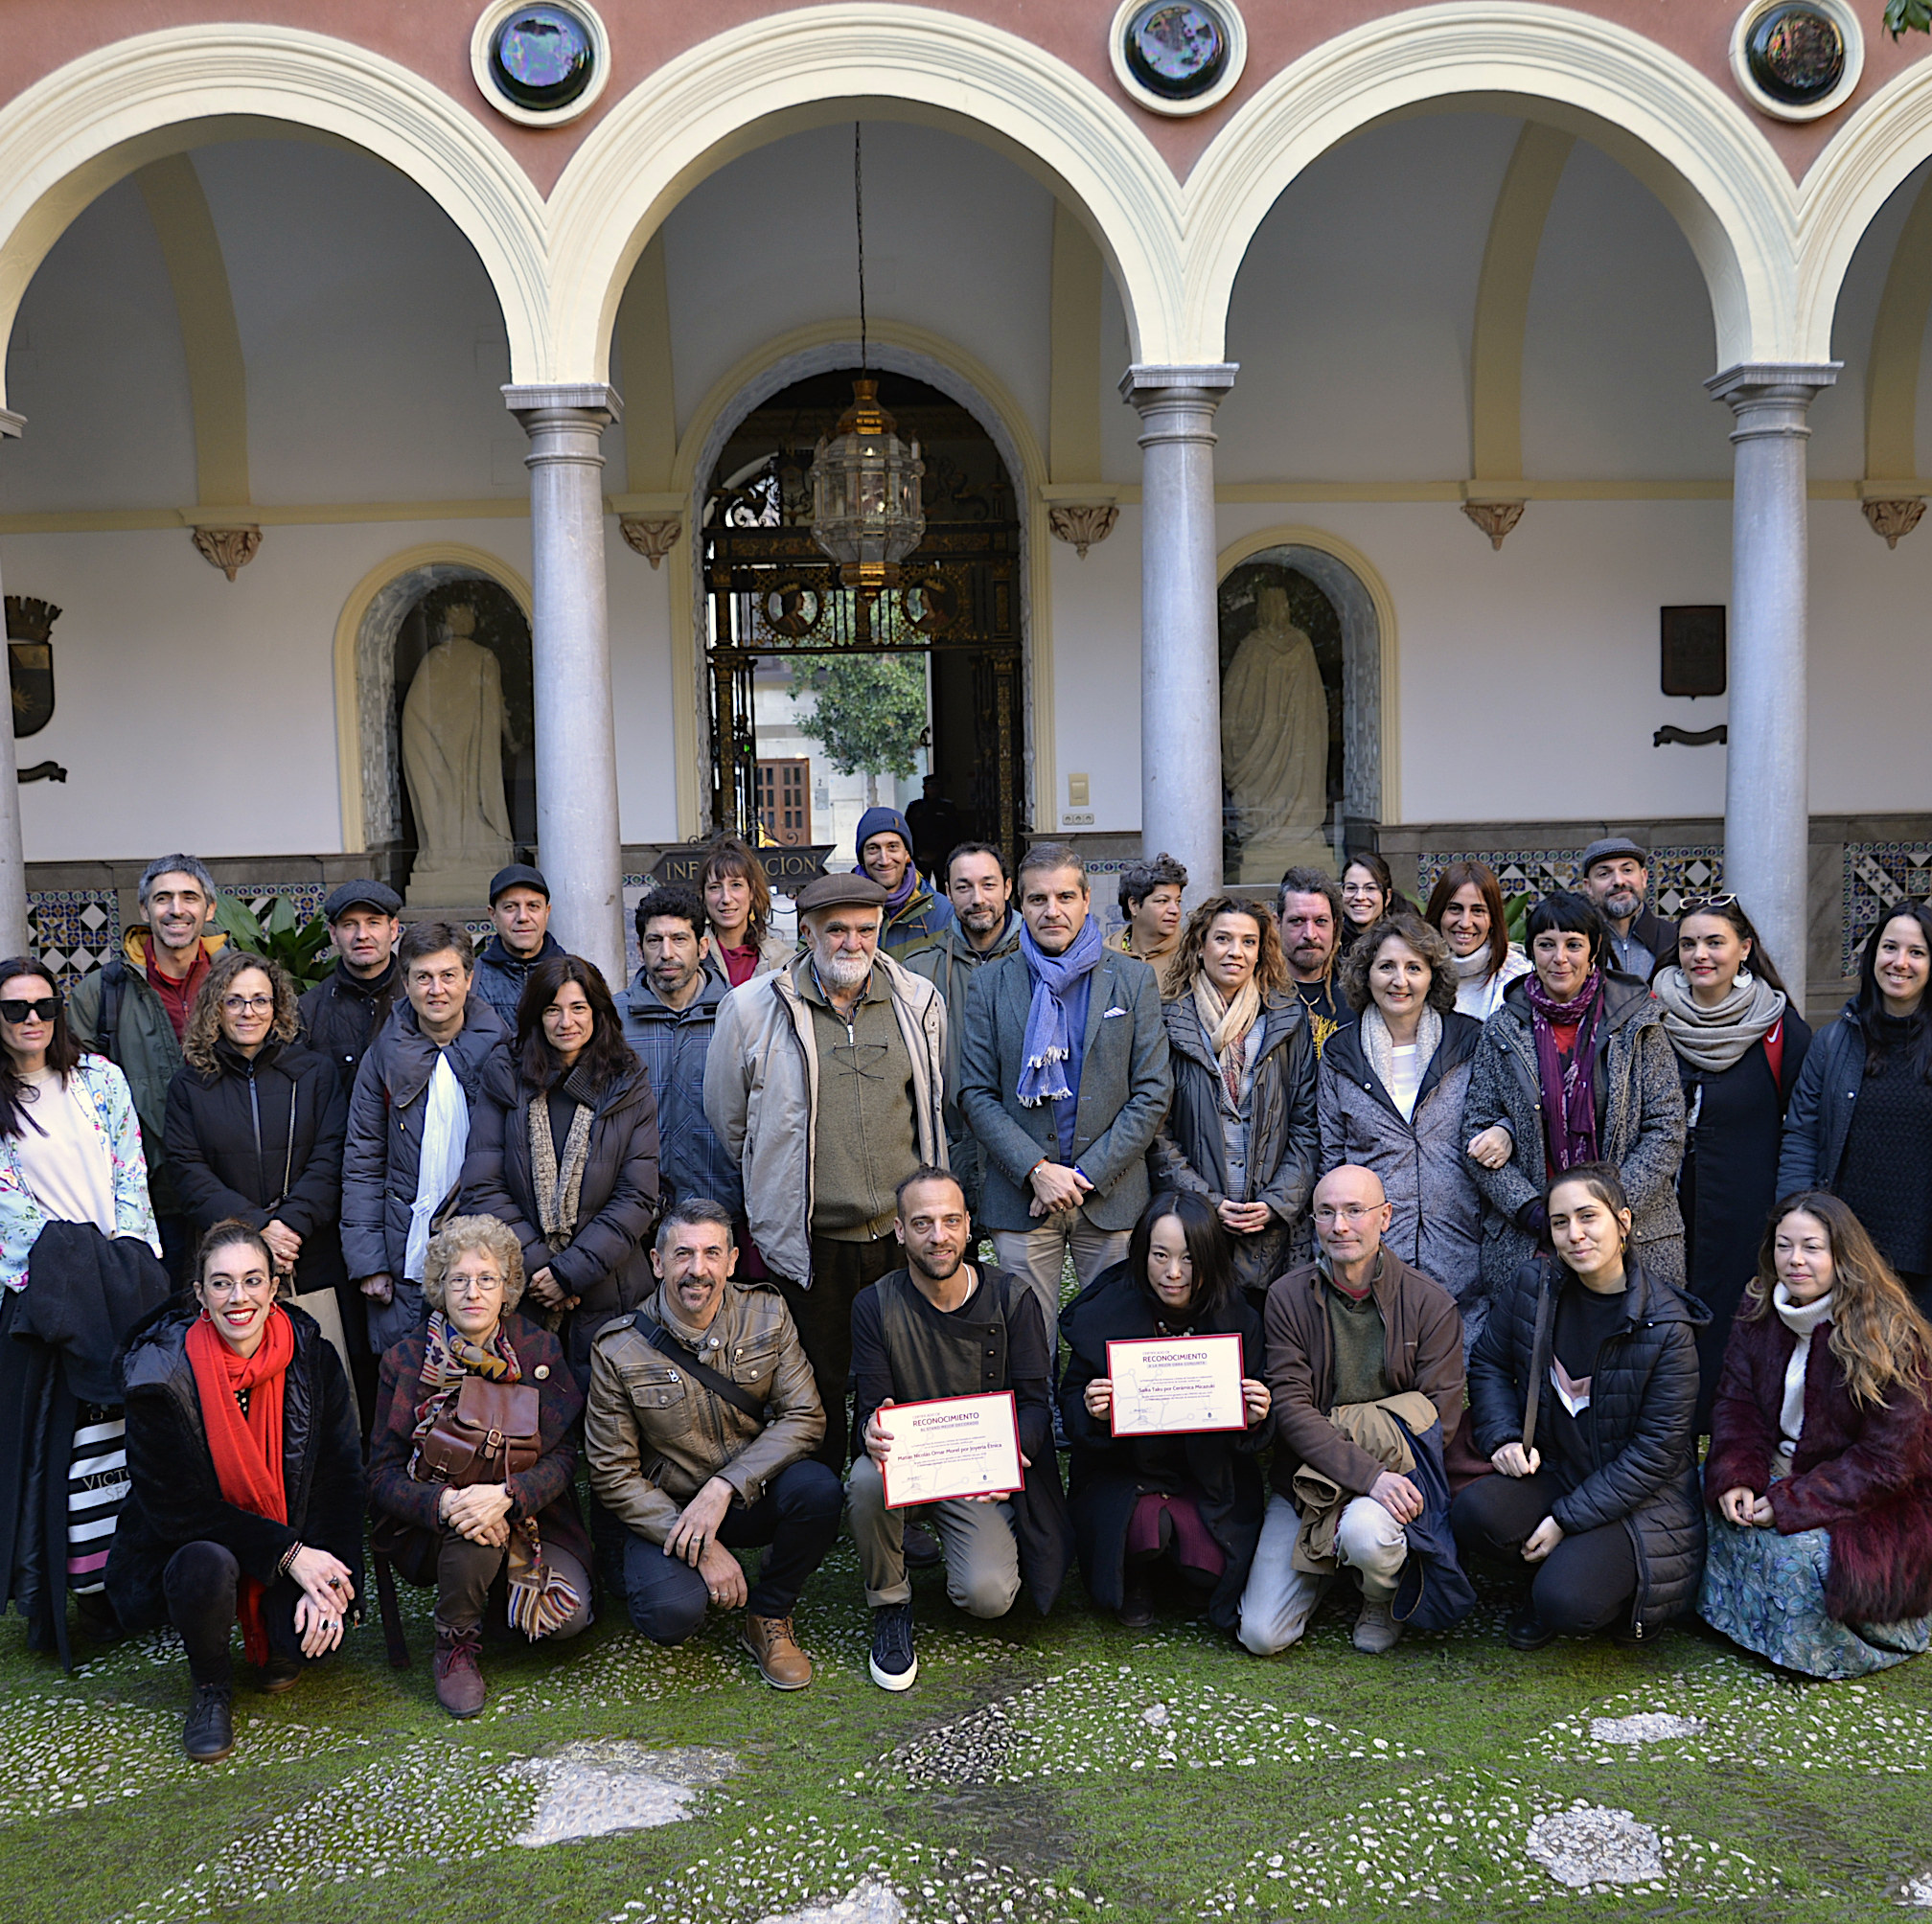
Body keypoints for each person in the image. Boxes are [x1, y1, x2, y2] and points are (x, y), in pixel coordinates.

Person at [704, 870, 947, 1467]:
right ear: (807, 932)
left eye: (866, 929)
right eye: (835, 930)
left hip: (900, 1234)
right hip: (813, 1236)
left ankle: (899, 1495)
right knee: (820, 1375)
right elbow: (730, 1119)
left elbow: (934, 1106)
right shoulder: (751, 1009)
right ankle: (822, 1492)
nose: (852, 943)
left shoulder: (918, 1000)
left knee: (898, 1368)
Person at [109, 1222, 361, 1762]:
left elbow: (339, 1475)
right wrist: (289, 1555)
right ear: (199, 1294)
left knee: (300, 1650)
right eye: (221, 1284)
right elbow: (175, 1509)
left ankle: (277, 1623)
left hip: (286, 1539)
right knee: (205, 1562)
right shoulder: (159, 1375)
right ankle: (209, 1687)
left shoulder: (311, 1356)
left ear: (274, 1287)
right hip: (193, 1545)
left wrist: (334, 1581)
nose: (238, 1298)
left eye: (252, 1280)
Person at [586, 1201, 840, 1688]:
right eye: (682, 1254)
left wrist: (725, 1486)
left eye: (710, 1254)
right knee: (670, 1615)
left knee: (820, 1490)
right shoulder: (617, 1348)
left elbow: (806, 1416)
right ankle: (689, 1575)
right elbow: (611, 1474)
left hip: (749, 1494)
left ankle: (769, 1614)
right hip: (672, 1509)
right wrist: (700, 1548)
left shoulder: (766, 1312)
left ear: (731, 1260)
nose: (696, 1270)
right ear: (657, 1262)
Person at [1452, 1164, 1704, 1648]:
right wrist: (1504, 1436)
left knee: (1568, 1602)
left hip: (1637, 1502)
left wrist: (1565, 1520)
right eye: (1560, 1222)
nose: (1575, 1234)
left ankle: (1602, 1593)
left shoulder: (1667, 1328)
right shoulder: (1536, 1285)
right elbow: (1487, 1362)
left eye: (1588, 1217)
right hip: (1558, 1471)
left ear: (1623, 1222)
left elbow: (1654, 1455)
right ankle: (1551, 1573)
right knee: (1475, 1512)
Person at [0, 961, 167, 1664]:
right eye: (14, 1010)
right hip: (51, 1298)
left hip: (122, 1281)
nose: (31, 1019)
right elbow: (9, 1206)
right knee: (68, 1461)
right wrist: (73, 1265)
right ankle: (85, 1598)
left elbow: (131, 1168)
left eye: (43, 1005)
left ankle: (139, 1584)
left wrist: (130, 1252)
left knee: (131, 1445)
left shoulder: (100, 1078)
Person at [849, 1168, 1071, 1690]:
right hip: (907, 1469)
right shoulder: (874, 1306)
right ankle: (891, 1602)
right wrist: (869, 1431)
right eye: (921, 1223)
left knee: (988, 1597)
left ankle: (973, 1543)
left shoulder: (1013, 1298)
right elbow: (867, 1407)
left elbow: (1038, 1405)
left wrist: (1014, 1451)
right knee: (862, 1479)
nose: (938, 1236)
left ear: (970, 1227)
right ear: (900, 1232)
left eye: (951, 1220)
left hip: (978, 1477)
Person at [1237, 1164, 1469, 1658]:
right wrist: (1365, 1471)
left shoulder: (1431, 1304)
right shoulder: (1287, 1297)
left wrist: (1371, 1474)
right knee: (1262, 1634)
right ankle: (1324, 1565)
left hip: (1395, 1477)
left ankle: (1378, 1595)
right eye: (1326, 1212)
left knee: (1366, 1533)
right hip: (1306, 1475)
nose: (1340, 1226)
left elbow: (1437, 1422)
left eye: (1354, 1211)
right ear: (1313, 1221)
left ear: (1385, 1217)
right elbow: (1293, 1413)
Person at [367, 1215, 590, 1717]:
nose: (473, 1292)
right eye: (458, 1279)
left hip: (528, 1519)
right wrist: (445, 1504)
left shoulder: (538, 1350)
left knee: (569, 1621)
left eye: (487, 1279)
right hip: (436, 1529)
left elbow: (563, 1457)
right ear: (439, 1287)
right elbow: (380, 1474)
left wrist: (508, 1497)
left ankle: (489, 1601)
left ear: (507, 1287)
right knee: (472, 1527)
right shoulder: (404, 1362)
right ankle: (454, 1647)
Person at [1701, 1194, 1932, 1678]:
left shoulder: (1890, 1332)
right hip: (1775, 1474)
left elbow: (1887, 1463)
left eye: (1812, 1247)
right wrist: (1737, 1476)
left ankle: (1833, 1648)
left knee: (1794, 1561)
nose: (1795, 1260)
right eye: (1784, 1245)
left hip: (1866, 1499)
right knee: (1686, 1503)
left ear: (1843, 1255)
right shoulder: (1759, 1306)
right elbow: (1735, 1403)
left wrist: (1791, 1502)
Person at [958, 842, 1172, 1354]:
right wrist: (1037, 1169)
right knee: (1028, 1341)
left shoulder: (1133, 979)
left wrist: (1087, 1173)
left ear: (1085, 898)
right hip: (1021, 1196)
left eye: (1064, 897)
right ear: (1020, 904)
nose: (1051, 911)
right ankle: (1039, 1432)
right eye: (1037, 900)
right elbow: (976, 1092)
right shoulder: (990, 984)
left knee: (1117, 1338)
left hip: (1111, 1192)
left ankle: (1103, 1430)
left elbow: (1152, 1091)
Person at [1060, 1192, 1270, 1631]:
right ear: (1142, 1253)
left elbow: (1257, 1430)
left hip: (1210, 1475)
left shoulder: (1238, 1316)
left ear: (1210, 1257)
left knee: (1207, 1572)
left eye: (1189, 1258)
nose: (1173, 1273)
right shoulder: (1106, 1309)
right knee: (1144, 1530)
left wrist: (1255, 1418)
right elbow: (1072, 1400)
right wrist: (1092, 1410)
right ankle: (1137, 1575)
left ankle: (1183, 1564)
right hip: (1124, 1471)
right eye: (1160, 1255)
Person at [1462, 890, 1688, 1294]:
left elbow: (1666, 1128)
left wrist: (1608, 1208)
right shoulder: (1502, 1029)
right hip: (1533, 1240)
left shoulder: (1639, 1023)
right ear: (1531, 952)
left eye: (1573, 944)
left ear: (1594, 948)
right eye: (1546, 945)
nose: (1559, 958)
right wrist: (1536, 1213)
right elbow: (1475, 1133)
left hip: (1631, 1231)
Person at [461, 953, 660, 1374]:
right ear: (537, 1015)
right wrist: (543, 1271)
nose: (565, 1021)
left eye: (578, 1008)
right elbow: (483, 1185)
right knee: (533, 1423)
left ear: (597, 1012)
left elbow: (637, 1195)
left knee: (611, 1424)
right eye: (552, 1009)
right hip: (524, 1291)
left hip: (612, 1288)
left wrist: (569, 1273)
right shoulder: (505, 1073)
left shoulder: (627, 1079)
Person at [1652, 896, 1811, 1415]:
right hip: (1665, 1209)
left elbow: (1806, 1125)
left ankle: (1733, 1432)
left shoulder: (1779, 1027)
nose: (1701, 954)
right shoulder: (1650, 1018)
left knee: (1739, 1324)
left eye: (1715, 942)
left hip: (1748, 1211)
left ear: (1744, 949)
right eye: (1689, 943)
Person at [1319, 913, 1488, 1345]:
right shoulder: (1341, 1052)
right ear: (1366, 974)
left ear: (1433, 975)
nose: (1400, 981)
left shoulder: (1469, 1040)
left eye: (1414, 967)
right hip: (1373, 1242)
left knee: (1457, 1366)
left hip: (1460, 1237)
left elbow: (1499, 1117)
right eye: (1387, 967)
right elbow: (1331, 1153)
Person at [341, 922, 508, 1353]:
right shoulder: (382, 1057)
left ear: (469, 979)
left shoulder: (503, 1052)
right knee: (406, 1384)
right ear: (406, 981)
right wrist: (369, 1262)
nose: (437, 989)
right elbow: (362, 1161)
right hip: (403, 1256)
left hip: (482, 1256)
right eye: (423, 977)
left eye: (449, 975)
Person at [165, 950, 350, 1335]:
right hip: (225, 1259)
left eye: (260, 1000)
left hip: (304, 1253)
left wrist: (289, 1227)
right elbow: (187, 1171)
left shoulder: (314, 1073)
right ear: (216, 1009)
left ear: (277, 1006)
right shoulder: (190, 1084)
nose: (248, 1012)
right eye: (234, 1001)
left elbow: (331, 1158)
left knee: (314, 1373)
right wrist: (258, 1227)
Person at [1148, 894, 1318, 1300]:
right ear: (1200, 944)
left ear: (1261, 951)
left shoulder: (1288, 1020)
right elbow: (1155, 1131)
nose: (1235, 953)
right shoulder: (1166, 1020)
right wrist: (1205, 1203)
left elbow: (1307, 1123)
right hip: (1192, 1227)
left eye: (1248, 942)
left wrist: (1277, 1202)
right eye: (1223, 939)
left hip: (1272, 1228)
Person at [69, 853, 225, 1279]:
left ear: (209, 909)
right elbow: (78, 1102)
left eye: (189, 897)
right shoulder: (101, 993)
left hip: (234, 1190)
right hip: (151, 1199)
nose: (177, 909)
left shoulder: (241, 981)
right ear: (144, 909)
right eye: (163, 898)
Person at [1778, 903, 1932, 1308]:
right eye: (1889, 948)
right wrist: (1795, 1222)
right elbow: (1802, 1136)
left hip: (1924, 1257)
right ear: (1872, 956)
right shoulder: (1834, 1042)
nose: (1900, 963)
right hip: (1846, 1253)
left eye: (1916, 952)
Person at [905, 842, 1021, 1218]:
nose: (977, 899)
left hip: (1026, 1146)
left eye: (988, 885)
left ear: (1008, 887)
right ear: (948, 893)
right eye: (963, 887)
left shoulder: (1041, 961)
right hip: (950, 1143)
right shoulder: (919, 969)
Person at [618, 885, 739, 1219]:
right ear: (640, 949)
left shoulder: (738, 1015)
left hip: (722, 1206)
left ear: (702, 947)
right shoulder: (612, 1021)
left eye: (679, 939)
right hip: (635, 1209)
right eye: (654, 941)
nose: (666, 952)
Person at [297, 881, 403, 1094]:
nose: (362, 935)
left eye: (373, 923)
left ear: (393, 929)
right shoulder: (308, 1011)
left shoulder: (419, 998)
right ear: (333, 934)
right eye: (349, 925)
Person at [1425, 859, 1531, 1020]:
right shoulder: (1414, 970)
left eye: (1478, 911)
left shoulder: (1518, 977)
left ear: (1492, 919)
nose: (1465, 923)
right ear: (1439, 913)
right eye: (1455, 909)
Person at [472, 863, 565, 1030]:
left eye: (533, 906)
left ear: (547, 912)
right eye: (510, 907)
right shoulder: (471, 981)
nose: (522, 917)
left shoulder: (579, 977)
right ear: (493, 915)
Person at [855, 806, 955, 954]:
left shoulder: (942, 912)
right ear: (862, 857)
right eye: (873, 848)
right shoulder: (840, 908)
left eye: (893, 847)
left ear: (907, 853)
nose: (884, 860)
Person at [1577, 836, 1677, 984]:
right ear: (1589, 887)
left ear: (1643, 878)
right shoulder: (1578, 944)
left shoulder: (1674, 938)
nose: (1619, 881)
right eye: (1604, 874)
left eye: (1627, 870)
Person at [700, 835, 794, 987]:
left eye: (736, 885)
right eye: (715, 887)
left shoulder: (782, 960)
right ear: (703, 895)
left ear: (751, 892)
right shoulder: (691, 956)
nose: (726, 898)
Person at [1277, 867, 1350, 1058]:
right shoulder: (1258, 992)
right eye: (1297, 921)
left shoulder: (1357, 989)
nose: (1310, 934)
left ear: (1334, 925)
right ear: (1278, 924)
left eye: (1320, 921)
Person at [1107, 853, 1187, 968]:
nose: (1175, 910)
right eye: (1163, 901)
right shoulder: (1106, 957)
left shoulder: (1192, 955)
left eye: (1178, 901)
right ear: (1134, 905)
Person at [1338, 853, 1405, 956]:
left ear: (1387, 896)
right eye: (1351, 888)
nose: (1360, 897)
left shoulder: (1403, 942)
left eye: (1370, 888)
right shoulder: (1330, 938)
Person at [903, 772, 965, 884]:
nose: (933, 789)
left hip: (942, 855)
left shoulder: (947, 807)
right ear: (924, 788)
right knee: (920, 886)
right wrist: (918, 853)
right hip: (920, 856)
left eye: (936, 786)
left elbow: (954, 833)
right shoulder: (915, 808)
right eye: (930, 786)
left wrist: (939, 852)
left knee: (944, 887)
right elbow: (909, 832)